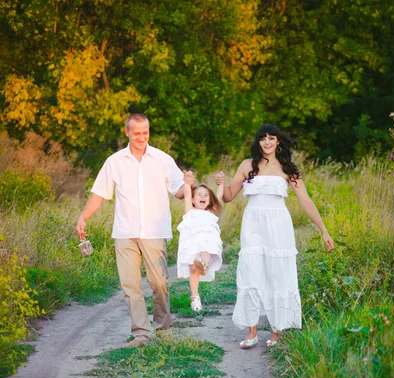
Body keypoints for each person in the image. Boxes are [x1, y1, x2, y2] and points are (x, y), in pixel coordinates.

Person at [75, 113, 194, 348]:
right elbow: (99, 193)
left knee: (159, 282)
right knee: (131, 285)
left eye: (145, 132)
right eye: (136, 133)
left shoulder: (162, 159)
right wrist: (83, 217)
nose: (141, 137)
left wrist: (188, 184)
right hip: (124, 232)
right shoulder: (114, 162)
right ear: (126, 132)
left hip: (154, 231)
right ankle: (141, 333)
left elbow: (179, 191)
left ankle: (164, 328)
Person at [216, 124, 334, 349]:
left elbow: (305, 201)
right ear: (258, 142)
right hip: (252, 224)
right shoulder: (247, 165)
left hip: (278, 225)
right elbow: (229, 196)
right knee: (251, 274)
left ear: (278, 141)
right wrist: (221, 185)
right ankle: (251, 333)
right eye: (263, 138)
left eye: (271, 138)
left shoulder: (288, 167)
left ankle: (276, 332)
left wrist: (324, 230)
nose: (267, 142)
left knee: (277, 275)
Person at [177, 180, 223, 311]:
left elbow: (218, 197)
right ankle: (195, 296)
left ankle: (204, 265)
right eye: (199, 195)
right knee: (193, 269)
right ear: (192, 200)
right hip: (191, 241)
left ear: (209, 201)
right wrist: (187, 182)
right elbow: (186, 194)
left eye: (206, 195)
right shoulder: (190, 211)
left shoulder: (211, 213)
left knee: (206, 253)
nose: (203, 197)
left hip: (207, 241)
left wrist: (220, 185)